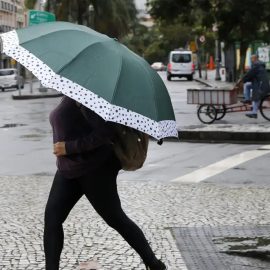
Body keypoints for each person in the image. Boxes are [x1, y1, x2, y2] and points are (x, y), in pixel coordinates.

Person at [44, 96, 168, 270]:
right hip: (68, 169)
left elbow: (104, 134)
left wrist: (69, 147)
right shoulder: (71, 95)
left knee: (116, 219)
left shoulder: (88, 97)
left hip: (95, 169)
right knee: (52, 219)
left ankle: (154, 264)